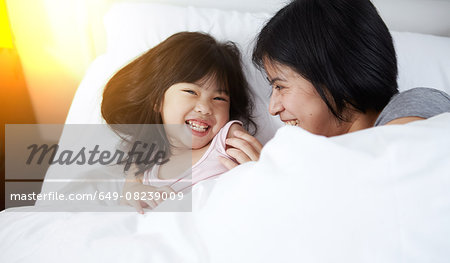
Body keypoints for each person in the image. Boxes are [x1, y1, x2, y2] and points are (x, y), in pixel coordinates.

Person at [101, 32, 262, 213]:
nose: (205, 108)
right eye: (191, 92)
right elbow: (128, 195)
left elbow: (263, 170)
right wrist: (136, 191)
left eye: (219, 98)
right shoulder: (145, 156)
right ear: (157, 101)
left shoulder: (227, 139)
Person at [249, 0, 450, 137]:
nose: (273, 108)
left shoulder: (416, 106)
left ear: (336, 76)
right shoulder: (332, 152)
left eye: (280, 86)